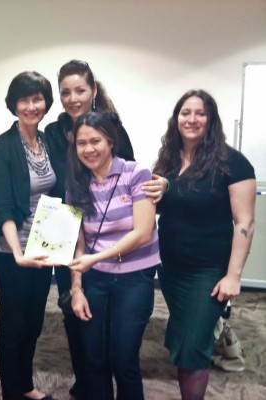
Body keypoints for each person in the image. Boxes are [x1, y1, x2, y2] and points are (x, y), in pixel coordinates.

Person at [44, 59, 165, 399]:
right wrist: (78, 280)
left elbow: (140, 208)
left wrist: (161, 184)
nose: (72, 97)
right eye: (65, 92)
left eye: (79, 89)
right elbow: (73, 220)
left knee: (122, 357)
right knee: (88, 347)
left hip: (126, 267)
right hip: (72, 240)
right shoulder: (54, 135)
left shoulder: (125, 155)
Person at [153, 90, 256, 400]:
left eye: (200, 113)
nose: (192, 119)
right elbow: (160, 207)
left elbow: (245, 223)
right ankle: (212, 334)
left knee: (192, 345)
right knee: (185, 333)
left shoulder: (232, 163)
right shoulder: (169, 159)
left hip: (209, 270)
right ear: (176, 118)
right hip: (170, 268)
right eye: (186, 112)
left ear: (211, 120)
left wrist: (234, 275)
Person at [66, 111, 161, 400]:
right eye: (82, 143)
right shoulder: (76, 183)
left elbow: (143, 232)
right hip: (94, 279)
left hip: (134, 278)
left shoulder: (136, 173)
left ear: (110, 141)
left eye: (95, 140)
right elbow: (78, 241)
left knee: (123, 359)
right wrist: (76, 288)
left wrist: (95, 259)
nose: (89, 149)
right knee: (94, 359)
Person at [0, 71, 58, 400]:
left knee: (34, 321)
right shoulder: (3, 148)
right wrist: (18, 253)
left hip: (45, 246)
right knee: (14, 324)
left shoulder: (48, 142)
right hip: (13, 250)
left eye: (37, 99)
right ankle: (12, 391)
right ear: (13, 104)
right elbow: (3, 205)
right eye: (24, 100)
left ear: (46, 102)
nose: (31, 106)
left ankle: (25, 384)